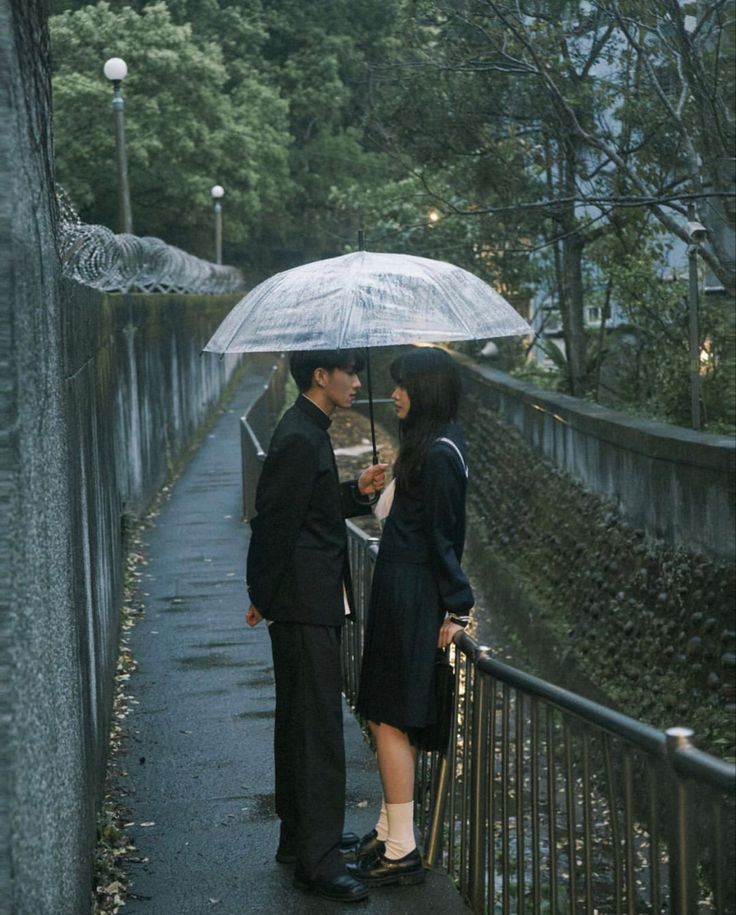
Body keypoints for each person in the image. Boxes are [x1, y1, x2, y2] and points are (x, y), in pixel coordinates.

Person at [245, 348, 387, 904]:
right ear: (320, 376)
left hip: (306, 599)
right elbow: (272, 520)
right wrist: (262, 594)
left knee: (301, 723)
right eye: (347, 372)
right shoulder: (300, 436)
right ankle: (319, 862)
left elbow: (308, 505)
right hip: (304, 602)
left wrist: (357, 491)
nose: (355, 381)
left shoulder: (307, 428)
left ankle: (301, 839)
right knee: (318, 731)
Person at [350, 347, 474, 887]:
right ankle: (388, 827)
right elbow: (410, 520)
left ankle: (402, 845)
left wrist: (459, 606)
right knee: (382, 709)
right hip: (400, 588)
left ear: (425, 390)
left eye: (402, 386)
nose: (394, 393)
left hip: (414, 594)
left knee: (392, 714)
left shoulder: (442, 453)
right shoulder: (424, 448)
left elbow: (446, 537)